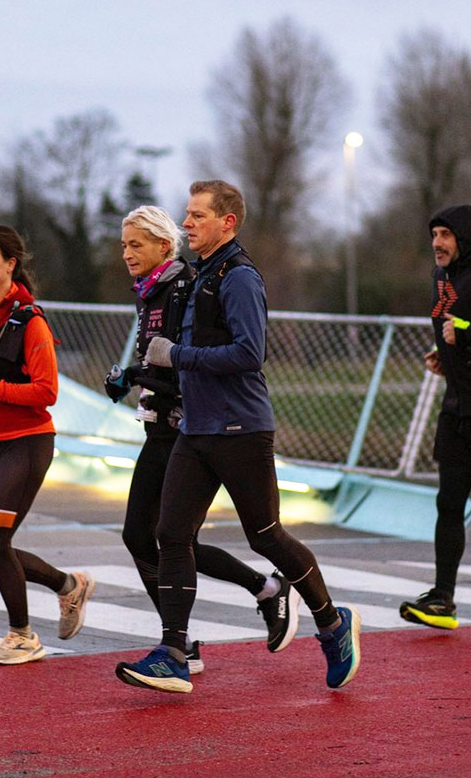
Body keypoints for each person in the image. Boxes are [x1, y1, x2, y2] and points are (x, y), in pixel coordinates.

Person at [115, 181, 361, 694]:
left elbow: (250, 354)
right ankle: (175, 654)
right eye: (186, 214)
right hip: (195, 429)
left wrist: (176, 356)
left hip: (241, 430)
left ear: (227, 222)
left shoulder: (240, 277)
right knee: (171, 536)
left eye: (197, 216)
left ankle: (333, 624)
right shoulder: (200, 275)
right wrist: (144, 374)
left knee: (265, 535)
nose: (187, 224)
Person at [105, 205, 300, 674]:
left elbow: (190, 364)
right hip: (162, 424)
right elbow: (163, 362)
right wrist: (134, 376)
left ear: (162, 246)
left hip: (188, 428)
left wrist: (140, 374)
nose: (127, 253)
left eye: (136, 244)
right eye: (123, 244)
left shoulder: (180, 287)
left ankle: (180, 644)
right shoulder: (149, 291)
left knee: (167, 537)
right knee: (162, 537)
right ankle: (261, 593)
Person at [0, 224, 94, 664]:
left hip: (28, 442)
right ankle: (68, 586)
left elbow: (47, 391)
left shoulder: (30, 320)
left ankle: (23, 636)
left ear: (10, 264)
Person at [400, 205, 471, 630]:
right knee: (448, 503)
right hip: (458, 407)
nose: (437, 243)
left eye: (446, 235)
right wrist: (446, 356)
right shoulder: (443, 277)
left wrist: (468, 336)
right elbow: (451, 328)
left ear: (466, 237)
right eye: (435, 234)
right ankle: (442, 599)